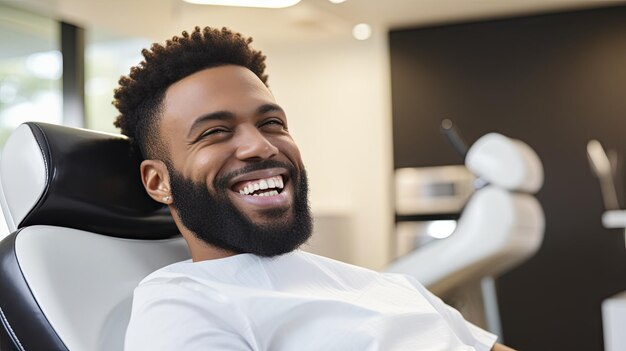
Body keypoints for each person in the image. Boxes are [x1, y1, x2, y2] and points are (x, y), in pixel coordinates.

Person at [115, 26, 514, 351]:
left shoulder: (386, 285)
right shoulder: (183, 306)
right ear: (158, 181)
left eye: (271, 123)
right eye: (215, 132)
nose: (262, 145)